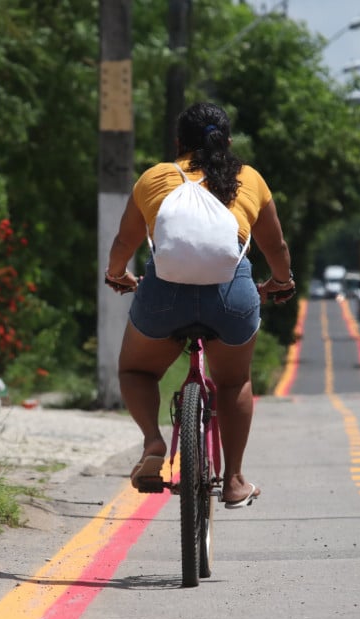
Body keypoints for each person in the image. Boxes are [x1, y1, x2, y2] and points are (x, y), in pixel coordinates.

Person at [103, 101, 295, 508]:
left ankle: (154, 442)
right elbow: (274, 245)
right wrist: (281, 282)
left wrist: (117, 274)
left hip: (163, 297)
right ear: (226, 142)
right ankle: (235, 480)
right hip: (231, 298)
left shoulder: (155, 177)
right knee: (234, 381)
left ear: (179, 143)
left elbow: (124, 243)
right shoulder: (249, 179)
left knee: (136, 369)